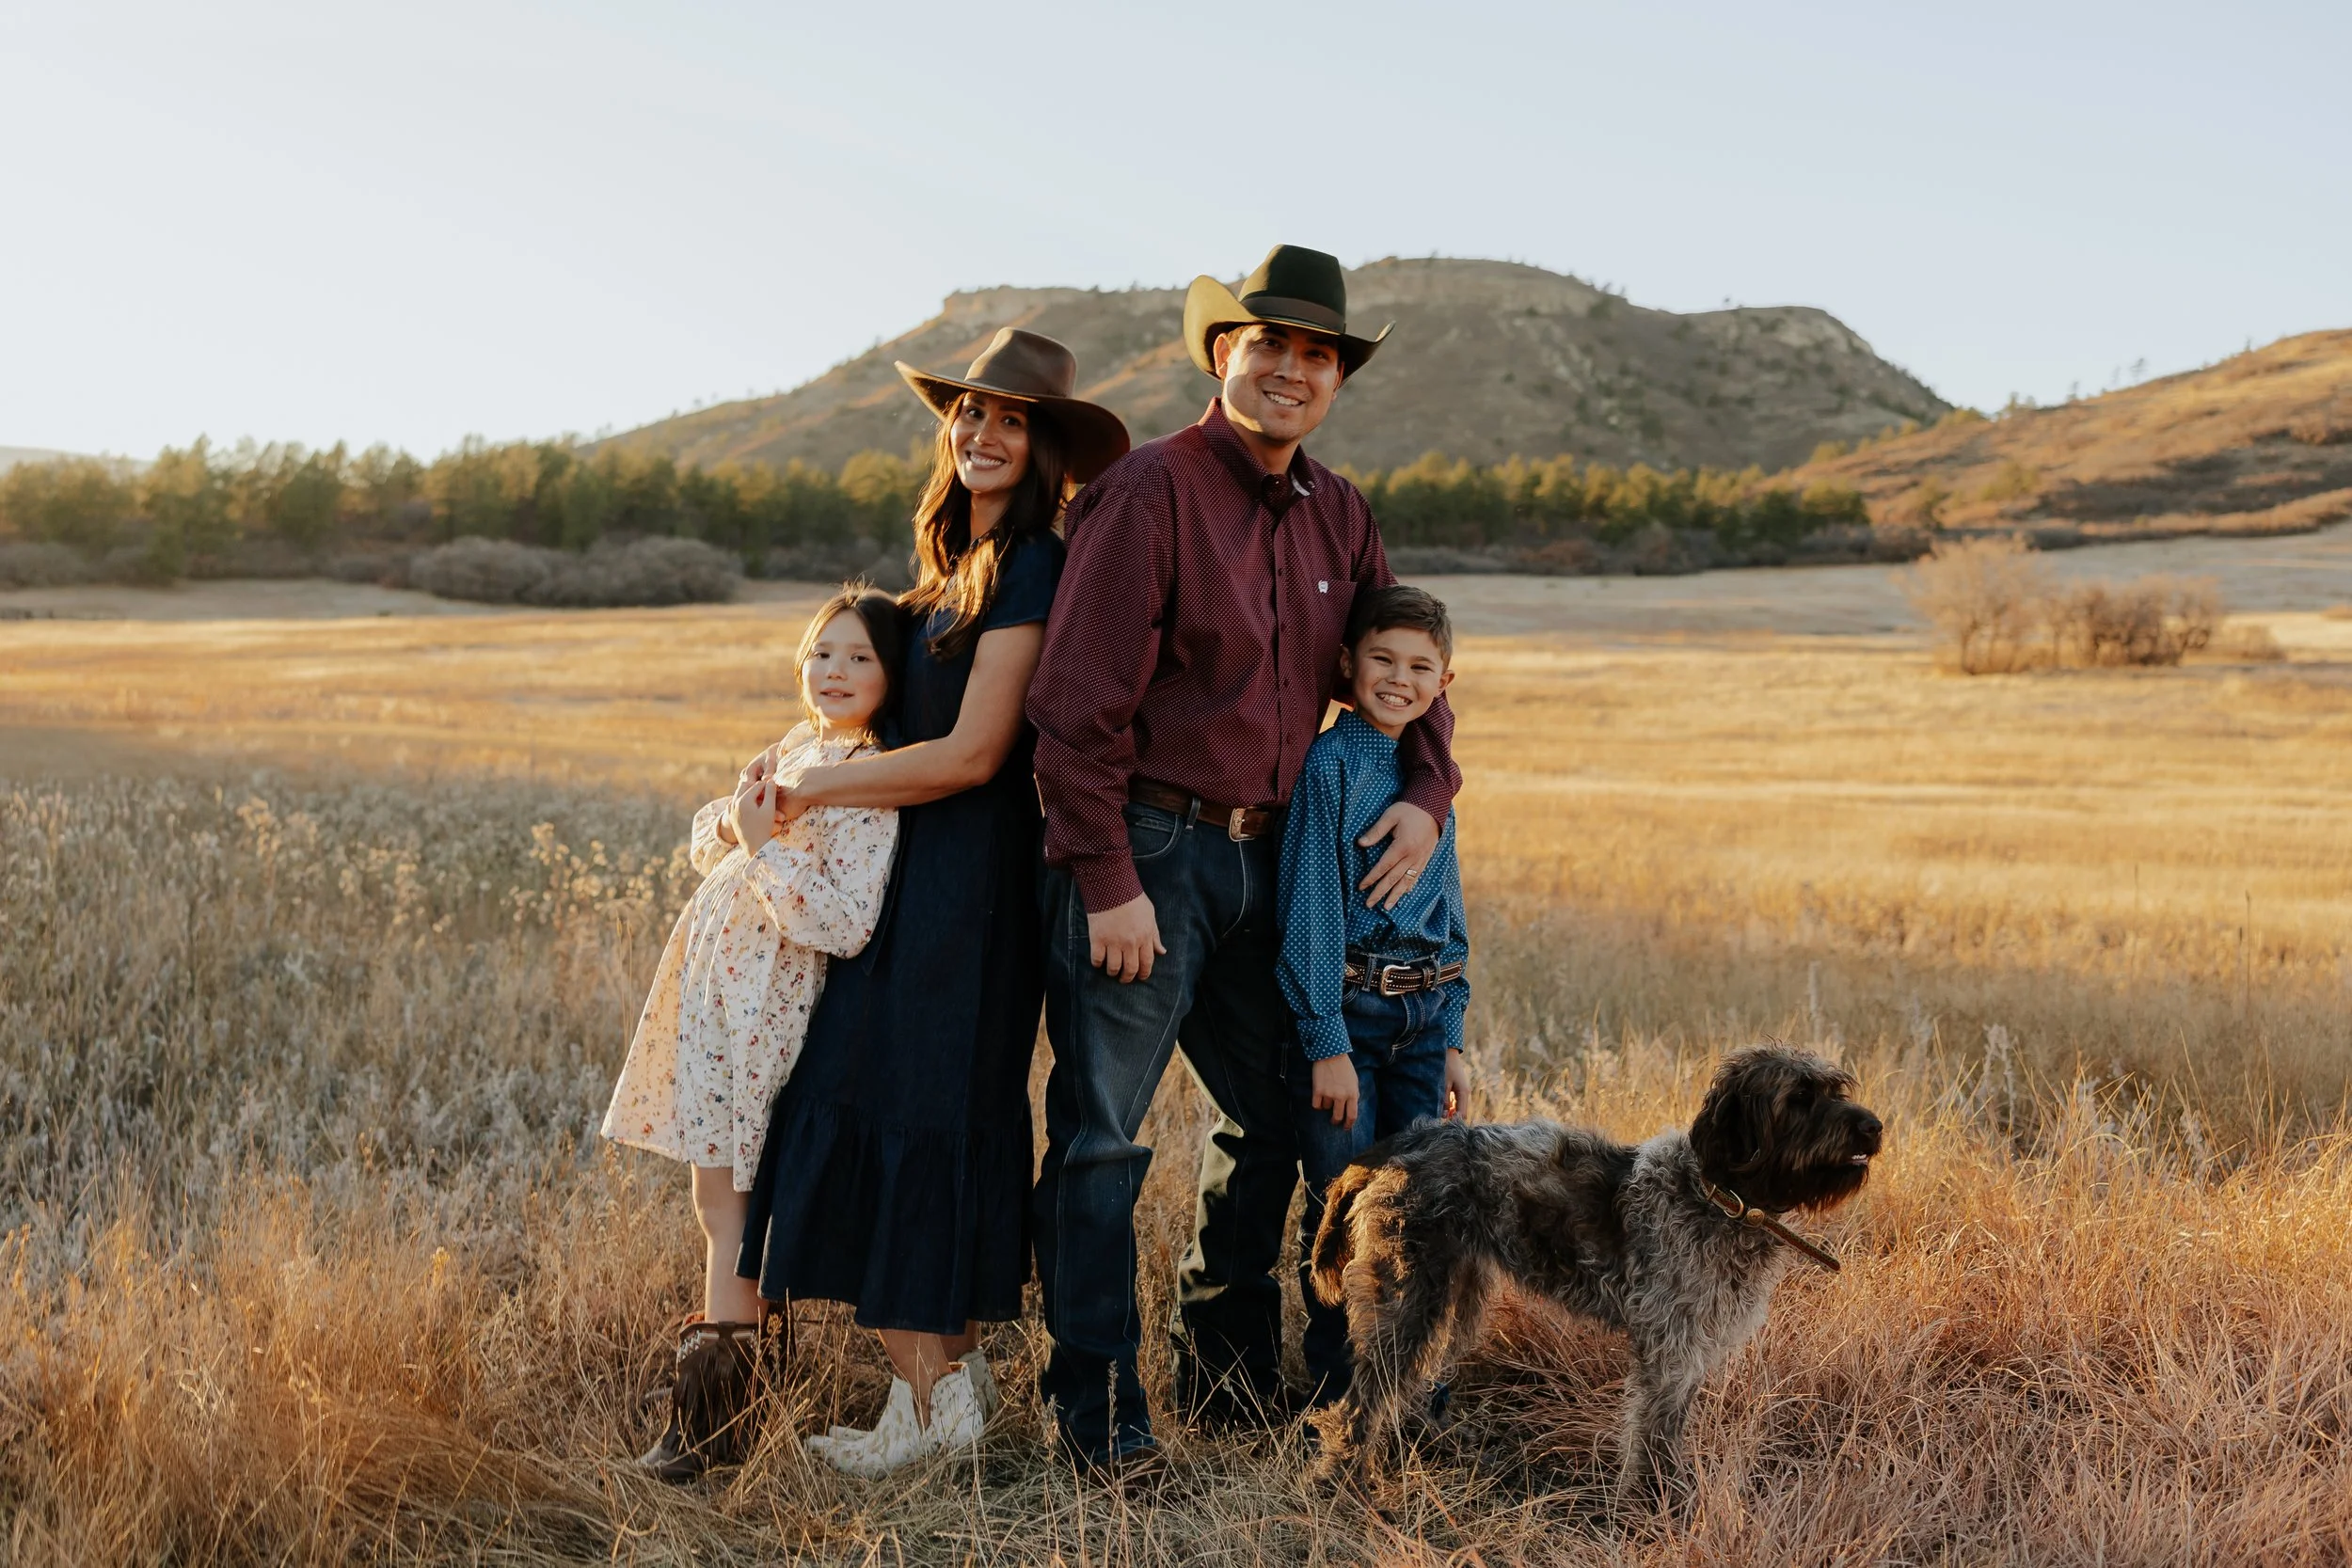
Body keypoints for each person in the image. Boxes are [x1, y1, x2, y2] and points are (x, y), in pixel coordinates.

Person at [1026, 244, 1461, 1472]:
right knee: (1102, 1135)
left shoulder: (1341, 511)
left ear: (1334, 379)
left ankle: (1222, 1365)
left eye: (1317, 354)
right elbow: (1075, 704)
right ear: (1224, 354)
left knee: (1282, 1112)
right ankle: (1096, 1416)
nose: (1292, 368)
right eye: (1269, 344)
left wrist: (1429, 787)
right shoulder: (1151, 490)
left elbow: (1405, 659)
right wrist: (1106, 876)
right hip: (1151, 849)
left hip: (1280, 865)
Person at [737, 328, 1129, 1478]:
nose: (983, 432)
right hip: (902, 883)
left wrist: (815, 785)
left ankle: (935, 1401)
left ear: (1045, 443)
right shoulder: (946, 571)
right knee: (901, 1111)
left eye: (1010, 419)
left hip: (969, 889)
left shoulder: (1033, 565)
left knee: (917, 1113)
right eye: (968, 412)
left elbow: (972, 755)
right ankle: (932, 1394)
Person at [601, 585, 904, 1481]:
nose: (836, 672)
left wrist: (762, 844)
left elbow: (846, 919)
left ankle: (708, 1427)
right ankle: (731, 1402)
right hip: (713, 1005)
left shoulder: (871, 777)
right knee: (717, 1200)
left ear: (893, 674)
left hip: (770, 1010)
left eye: (860, 658)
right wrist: (744, 822)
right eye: (822, 654)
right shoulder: (792, 747)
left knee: (732, 1208)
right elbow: (711, 836)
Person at [1277, 584, 1471, 1411]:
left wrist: (1453, 1030)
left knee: (1417, 1210)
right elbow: (1311, 910)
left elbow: (1449, 909)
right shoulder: (1332, 765)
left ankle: (1407, 1393)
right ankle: (1338, 1395)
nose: (1400, 678)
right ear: (1348, 663)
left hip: (1423, 1023)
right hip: (1350, 1019)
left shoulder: (1430, 781)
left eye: (1420, 665)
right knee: (1345, 1206)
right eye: (1383, 659)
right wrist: (1325, 1041)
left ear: (1444, 679)